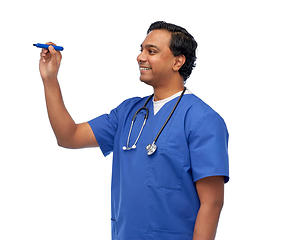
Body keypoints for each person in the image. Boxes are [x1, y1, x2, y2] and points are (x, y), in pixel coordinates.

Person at [38, 21, 229, 240]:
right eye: (141, 49)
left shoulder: (204, 120)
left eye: (152, 51)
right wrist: (50, 79)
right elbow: (68, 136)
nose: (140, 57)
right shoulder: (128, 112)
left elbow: (212, 202)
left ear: (178, 61)